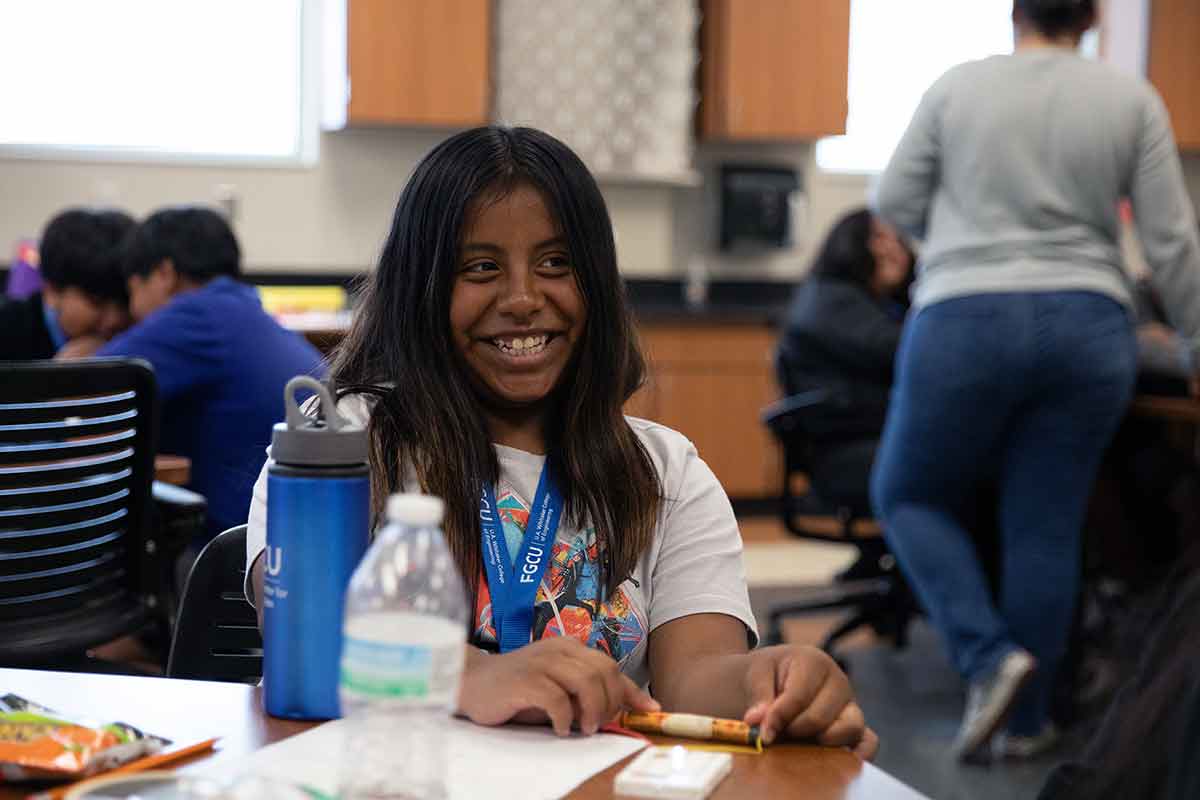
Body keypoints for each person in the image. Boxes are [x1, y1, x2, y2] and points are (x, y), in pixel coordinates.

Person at [244, 126, 877, 756]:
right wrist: (470, 674)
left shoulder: (667, 473)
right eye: (481, 267)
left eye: (556, 263)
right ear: (421, 289)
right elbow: (304, 636)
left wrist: (772, 685)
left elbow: (695, 681)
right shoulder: (343, 444)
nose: (523, 298)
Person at [870, 0, 1200, 761]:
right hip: (1089, 323)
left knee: (907, 494)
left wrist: (959, 231)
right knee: (1043, 524)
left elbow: (891, 202)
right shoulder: (1130, 98)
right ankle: (1028, 726)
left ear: (1014, 13)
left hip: (966, 319)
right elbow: (1172, 240)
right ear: (1088, 20)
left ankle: (989, 660)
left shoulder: (958, 88)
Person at [92, 207, 325, 540]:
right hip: (307, 528)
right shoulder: (244, 312)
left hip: (241, 545)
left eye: (133, 290)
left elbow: (78, 387)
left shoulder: (196, 316)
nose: (130, 311)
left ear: (164, 273)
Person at [775, 207, 913, 515]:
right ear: (850, 243)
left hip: (863, 442)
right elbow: (899, 351)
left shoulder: (866, 302)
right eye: (878, 237)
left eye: (898, 238)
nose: (894, 247)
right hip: (846, 452)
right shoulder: (834, 301)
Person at [0, 208, 133, 360]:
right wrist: (57, 376)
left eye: (124, 301)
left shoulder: (144, 330)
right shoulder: (6, 330)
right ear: (52, 291)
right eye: (97, 302)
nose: (114, 319)